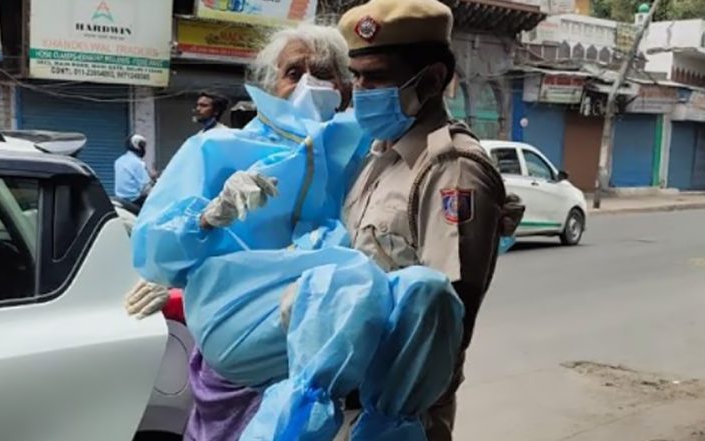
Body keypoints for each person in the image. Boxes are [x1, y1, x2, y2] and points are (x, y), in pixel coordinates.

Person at [127, 24, 465, 441]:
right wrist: (207, 217)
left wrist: (484, 207)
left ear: (346, 88)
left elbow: (421, 225)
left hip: (330, 320)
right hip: (240, 315)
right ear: (270, 83)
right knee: (347, 283)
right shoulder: (215, 148)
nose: (310, 83)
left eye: (325, 73)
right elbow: (154, 249)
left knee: (425, 292)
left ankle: (386, 429)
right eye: (295, 72)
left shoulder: (368, 152)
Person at [337, 0, 525, 439]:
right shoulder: (381, 156)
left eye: (377, 76)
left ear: (433, 79)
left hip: (399, 411)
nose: (361, 90)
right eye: (357, 76)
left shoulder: (452, 169)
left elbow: (444, 314)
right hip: (349, 400)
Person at [114, 134, 154, 209]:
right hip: (134, 200)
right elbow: (146, 187)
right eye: (143, 145)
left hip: (120, 198)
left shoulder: (118, 161)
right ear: (138, 145)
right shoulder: (138, 163)